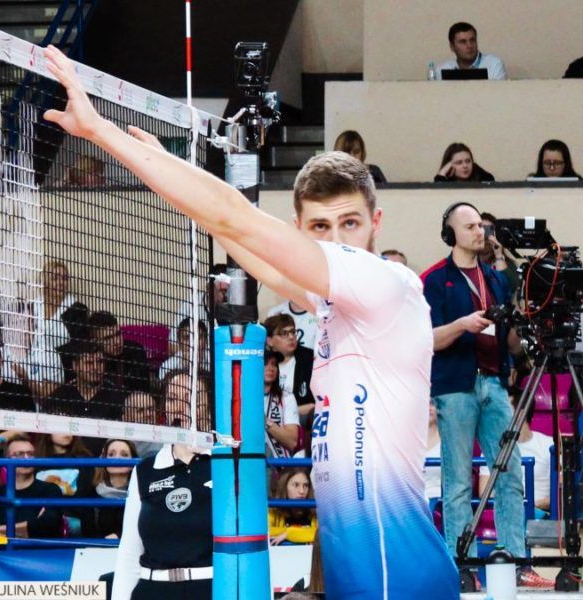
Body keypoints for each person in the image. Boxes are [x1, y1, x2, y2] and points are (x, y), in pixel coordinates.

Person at [43, 44, 458, 597]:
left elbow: (235, 217)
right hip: (360, 574)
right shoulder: (328, 304)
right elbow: (231, 231)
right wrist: (163, 168)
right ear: (299, 231)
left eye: (351, 224)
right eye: (320, 229)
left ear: (376, 222)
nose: (337, 242)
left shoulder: (387, 287)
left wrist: (99, 131)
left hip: (398, 575)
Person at [421, 202, 552, 588]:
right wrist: (462, 324)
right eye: (471, 226)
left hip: (493, 381)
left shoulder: (496, 280)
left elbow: (510, 342)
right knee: (458, 479)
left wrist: (522, 324)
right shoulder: (434, 279)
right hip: (455, 386)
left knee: (509, 473)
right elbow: (427, 339)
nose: (480, 232)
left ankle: (517, 562)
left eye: (481, 225)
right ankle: (460, 566)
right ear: (451, 234)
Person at [112, 376, 212, 599]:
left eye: (191, 398)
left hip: (211, 589)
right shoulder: (145, 470)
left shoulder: (225, 465)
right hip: (153, 590)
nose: (182, 406)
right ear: (165, 407)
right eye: (173, 398)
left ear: (208, 405)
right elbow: (130, 552)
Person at [40, 340, 126, 455]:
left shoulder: (117, 397)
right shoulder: (59, 397)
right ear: (75, 366)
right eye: (89, 363)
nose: (95, 368)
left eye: (100, 362)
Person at [0, 435, 65, 538]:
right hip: (3, 548)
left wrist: (3, 530)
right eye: (19, 454)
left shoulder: (51, 489)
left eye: (30, 454)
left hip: (39, 548)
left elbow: (48, 526)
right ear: (6, 459)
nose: (26, 458)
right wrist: (30, 527)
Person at [264, 314, 315, 429]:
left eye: (293, 332)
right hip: (270, 420)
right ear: (270, 341)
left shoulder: (309, 359)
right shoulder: (262, 363)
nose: (291, 337)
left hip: (302, 421)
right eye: (284, 334)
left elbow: (313, 405)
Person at [82, 439, 138, 538]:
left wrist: (119, 535)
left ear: (132, 463)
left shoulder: (140, 493)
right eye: (111, 454)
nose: (117, 459)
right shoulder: (91, 491)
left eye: (124, 455)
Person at [88, 310, 151, 393]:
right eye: (108, 338)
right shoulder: (90, 362)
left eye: (118, 334)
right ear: (94, 341)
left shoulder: (135, 351)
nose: (117, 342)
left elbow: (144, 391)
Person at [263, 350, 301, 461]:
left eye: (274, 364)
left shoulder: (287, 397)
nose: (271, 368)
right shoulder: (244, 397)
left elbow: (292, 442)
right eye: (265, 363)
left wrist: (265, 421)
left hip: (281, 465)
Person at [437, 22, 506, 80]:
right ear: (452, 47)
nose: (469, 45)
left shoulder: (494, 64)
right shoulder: (442, 69)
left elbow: (499, 91)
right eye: (463, 42)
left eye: (472, 40)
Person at [268, 469, 317, 545]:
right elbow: (266, 531)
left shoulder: (315, 512)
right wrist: (301, 533)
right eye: (296, 485)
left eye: (305, 485)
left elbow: (320, 534)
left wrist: (288, 534)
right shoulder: (274, 511)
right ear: (284, 486)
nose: (301, 491)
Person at [122, 391, 163, 457]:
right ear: (126, 418)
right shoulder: (117, 442)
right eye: (140, 410)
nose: (148, 414)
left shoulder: (166, 439)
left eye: (151, 409)